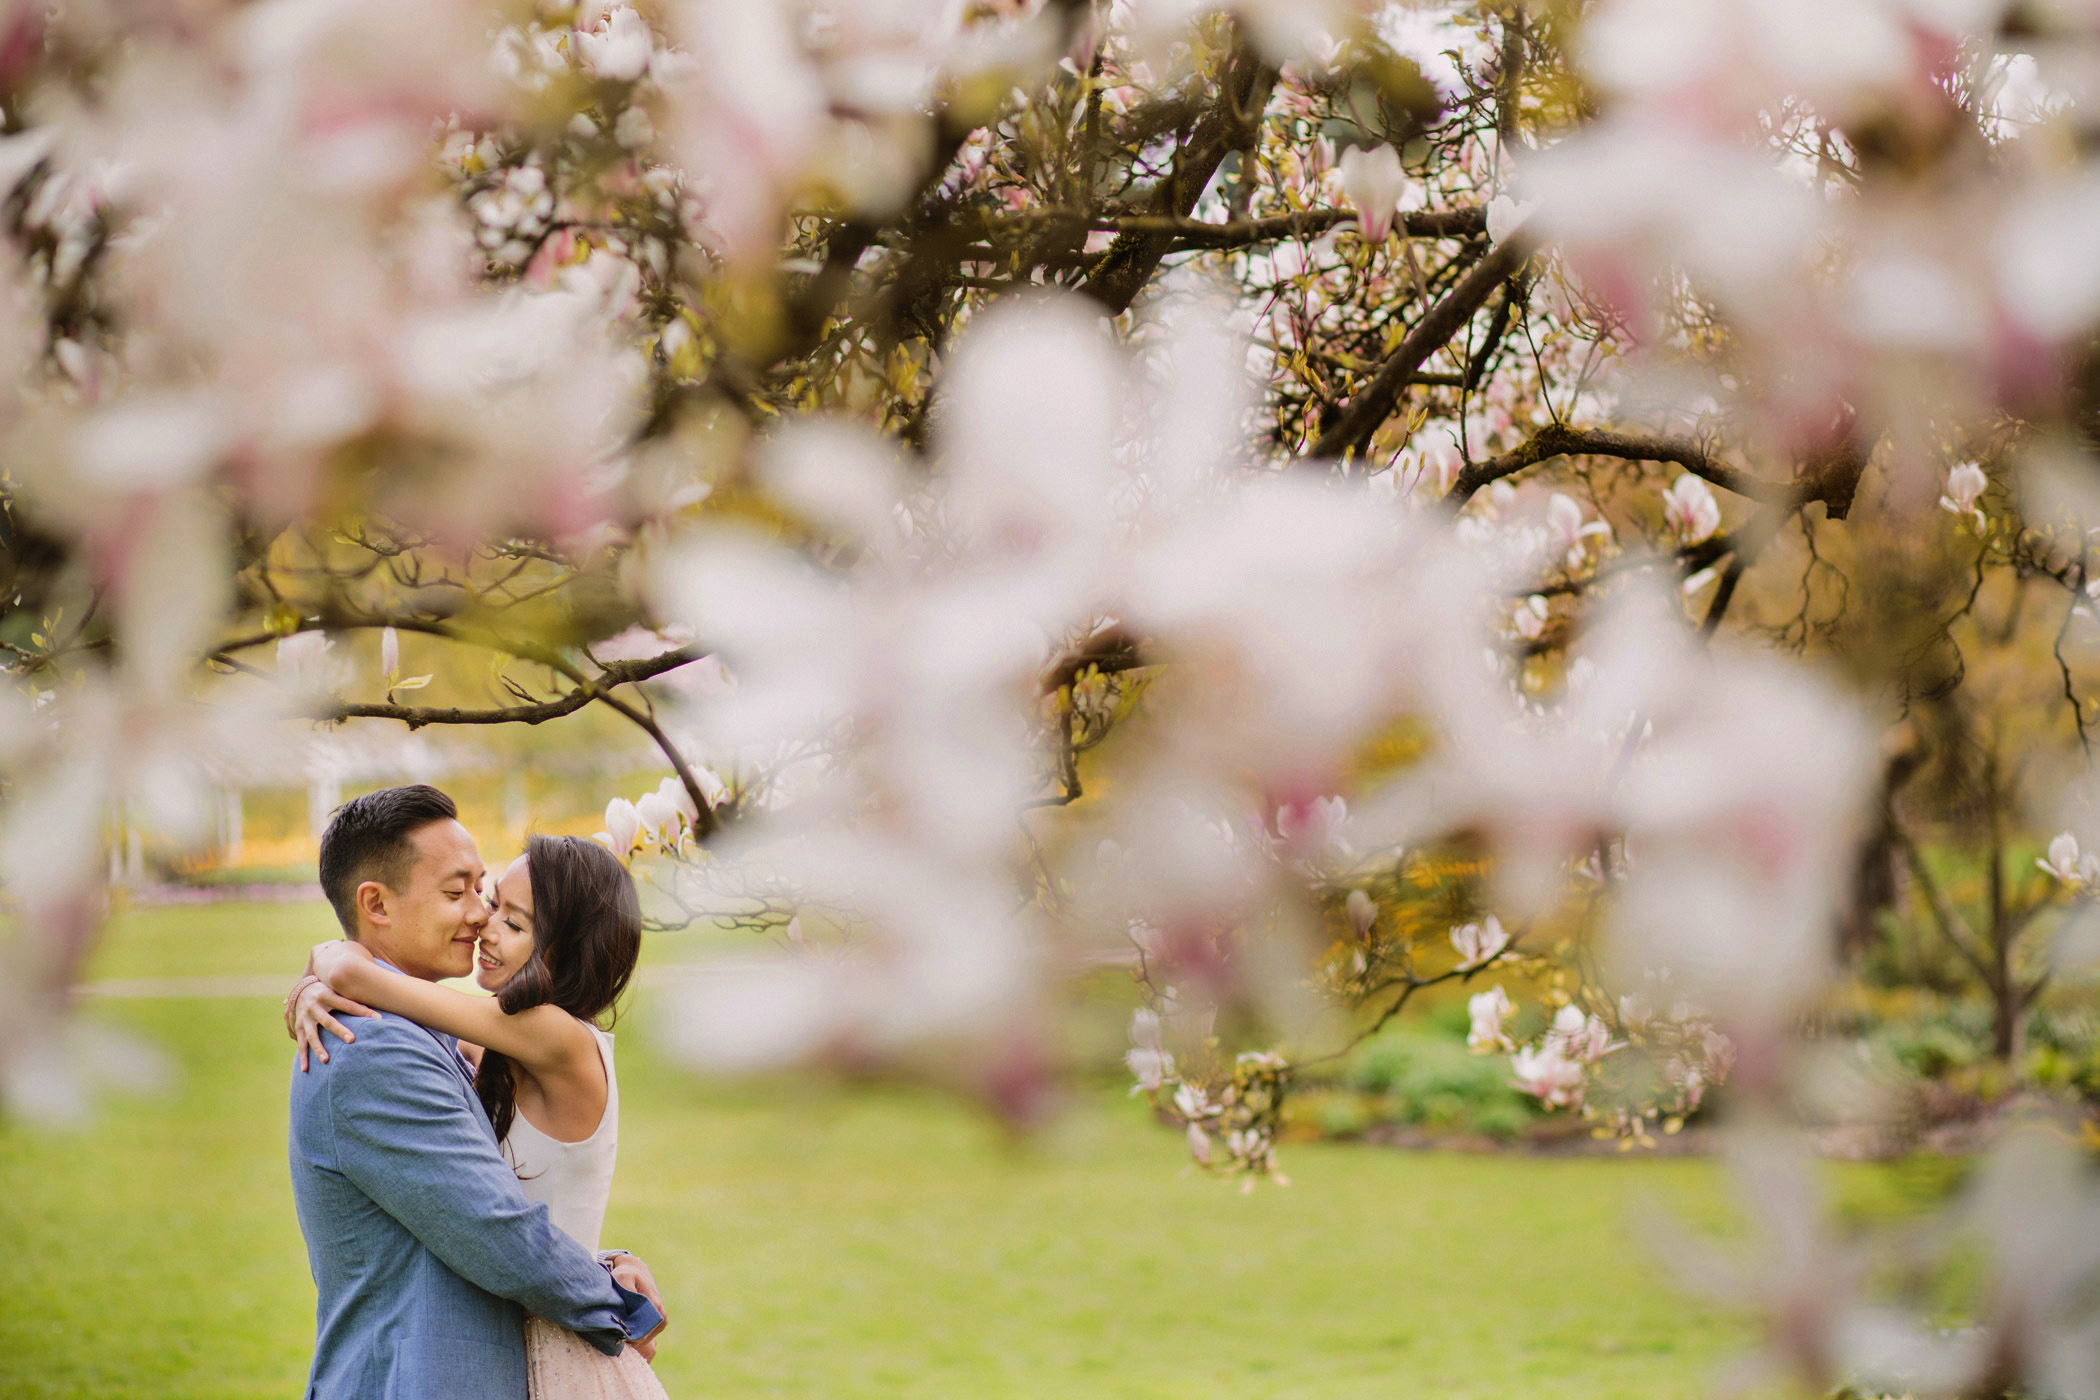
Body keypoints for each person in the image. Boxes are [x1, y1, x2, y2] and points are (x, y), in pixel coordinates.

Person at [284, 785, 667, 1400]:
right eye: (460, 894)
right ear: (376, 905)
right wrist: (621, 1305)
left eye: (499, 911)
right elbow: (496, 1230)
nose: (480, 918)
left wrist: (320, 970)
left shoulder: (509, 1036)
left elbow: (495, 1203)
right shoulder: (376, 1049)